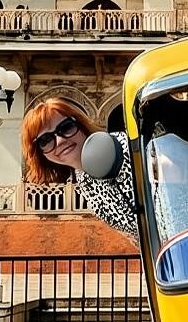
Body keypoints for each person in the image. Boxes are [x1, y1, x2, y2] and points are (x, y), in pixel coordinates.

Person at [21, 99, 138, 239]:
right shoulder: (83, 180)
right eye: (45, 140)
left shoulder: (120, 148)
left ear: (80, 125)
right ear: (40, 153)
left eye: (66, 128)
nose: (60, 141)